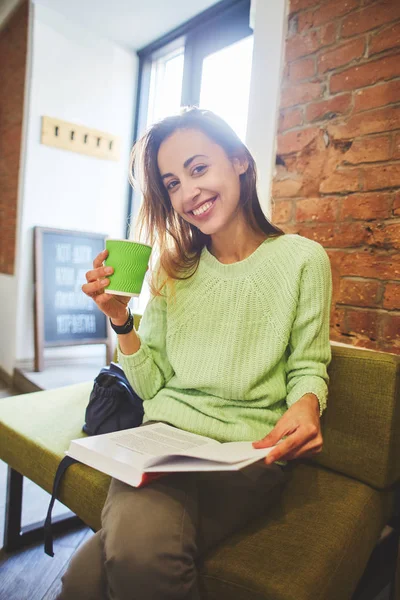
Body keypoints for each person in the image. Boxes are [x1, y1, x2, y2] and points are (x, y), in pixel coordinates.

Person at [58, 107, 332, 600]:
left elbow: (309, 365)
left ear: (239, 162)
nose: (188, 193)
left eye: (199, 168)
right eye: (173, 183)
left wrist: (308, 402)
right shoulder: (171, 270)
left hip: (242, 456)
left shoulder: (302, 259)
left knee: (107, 568)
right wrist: (121, 320)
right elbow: (151, 385)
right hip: (160, 442)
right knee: (83, 581)